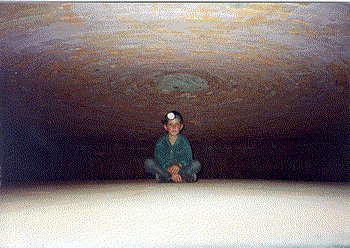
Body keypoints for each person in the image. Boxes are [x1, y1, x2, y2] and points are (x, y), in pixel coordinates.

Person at [144, 111, 201, 183]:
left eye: (177, 124)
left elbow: (188, 158)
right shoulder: (161, 142)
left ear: (181, 127)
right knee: (148, 162)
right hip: (166, 170)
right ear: (165, 127)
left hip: (180, 170)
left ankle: (166, 178)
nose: (174, 127)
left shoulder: (184, 141)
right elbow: (159, 159)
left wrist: (179, 165)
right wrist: (169, 170)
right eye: (170, 124)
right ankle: (174, 177)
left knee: (197, 164)